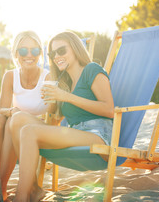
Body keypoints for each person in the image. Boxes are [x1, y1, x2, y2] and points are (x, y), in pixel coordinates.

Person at [8, 31, 115, 201]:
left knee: (29, 131)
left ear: (75, 48)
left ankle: (22, 197)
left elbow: (109, 109)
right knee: (18, 119)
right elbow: (58, 118)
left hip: (98, 136)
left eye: (61, 51)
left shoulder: (91, 69)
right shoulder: (65, 81)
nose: (57, 56)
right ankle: (33, 189)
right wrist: (51, 101)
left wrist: (65, 97)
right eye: (52, 53)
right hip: (75, 133)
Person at [0, 31, 50, 200]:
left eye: (35, 51)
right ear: (16, 53)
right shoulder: (10, 76)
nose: (29, 55)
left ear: (40, 53)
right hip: (15, 124)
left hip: (40, 129)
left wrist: (17, 115)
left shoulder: (47, 77)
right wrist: (13, 112)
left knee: (12, 121)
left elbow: (54, 113)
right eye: (23, 51)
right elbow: (2, 110)